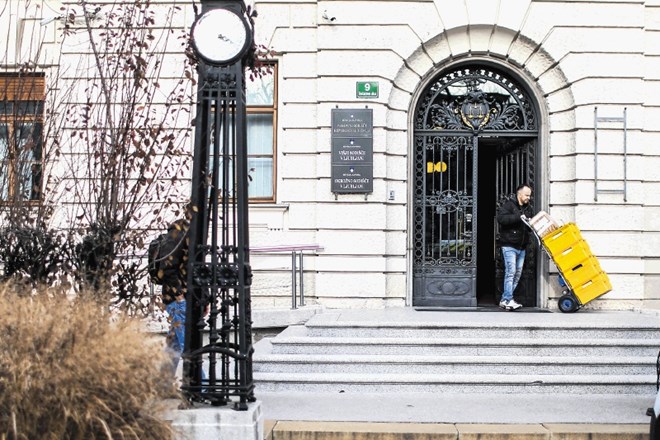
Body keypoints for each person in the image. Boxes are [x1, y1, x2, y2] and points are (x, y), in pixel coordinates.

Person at [497, 183, 534, 311]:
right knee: (511, 273)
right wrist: (518, 217)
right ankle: (508, 299)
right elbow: (501, 219)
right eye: (526, 195)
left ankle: (505, 299)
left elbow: (529, 227)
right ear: (519, 194)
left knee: (517, 274)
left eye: (529, 195)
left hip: (521, 247)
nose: (528, 198)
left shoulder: (528, 208)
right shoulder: (509, 205)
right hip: (509, 245)